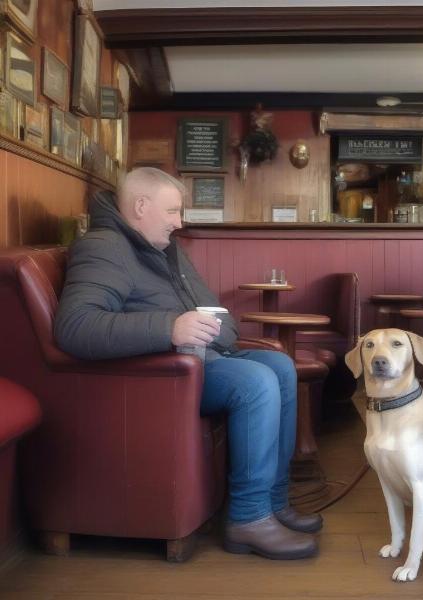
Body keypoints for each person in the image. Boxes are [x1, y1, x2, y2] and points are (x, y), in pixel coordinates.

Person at [55, 167, 322, 560]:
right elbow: (76, 327)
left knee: (279, 366)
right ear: (141, 206)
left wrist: (219, 332)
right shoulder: (104, 247)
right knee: (256, 381)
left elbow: (216, 310)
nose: (179, 222)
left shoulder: (164, 247)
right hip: (160, 377)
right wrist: (170, 327)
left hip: (200, 359)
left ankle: (273, 501)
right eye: (173, 212)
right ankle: (248, 518)